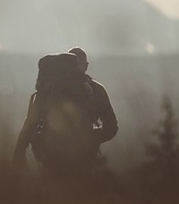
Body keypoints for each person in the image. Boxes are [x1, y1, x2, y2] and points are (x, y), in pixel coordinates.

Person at [12, 47, 118, 178]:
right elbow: (112, 126)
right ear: (86, 66)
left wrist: (19, 152)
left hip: (51, 160)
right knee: (82, 196)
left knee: (53, 195)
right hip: (84, 162)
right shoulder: (95, 90)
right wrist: (92, 138)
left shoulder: (48, 91)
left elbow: (30, 122)